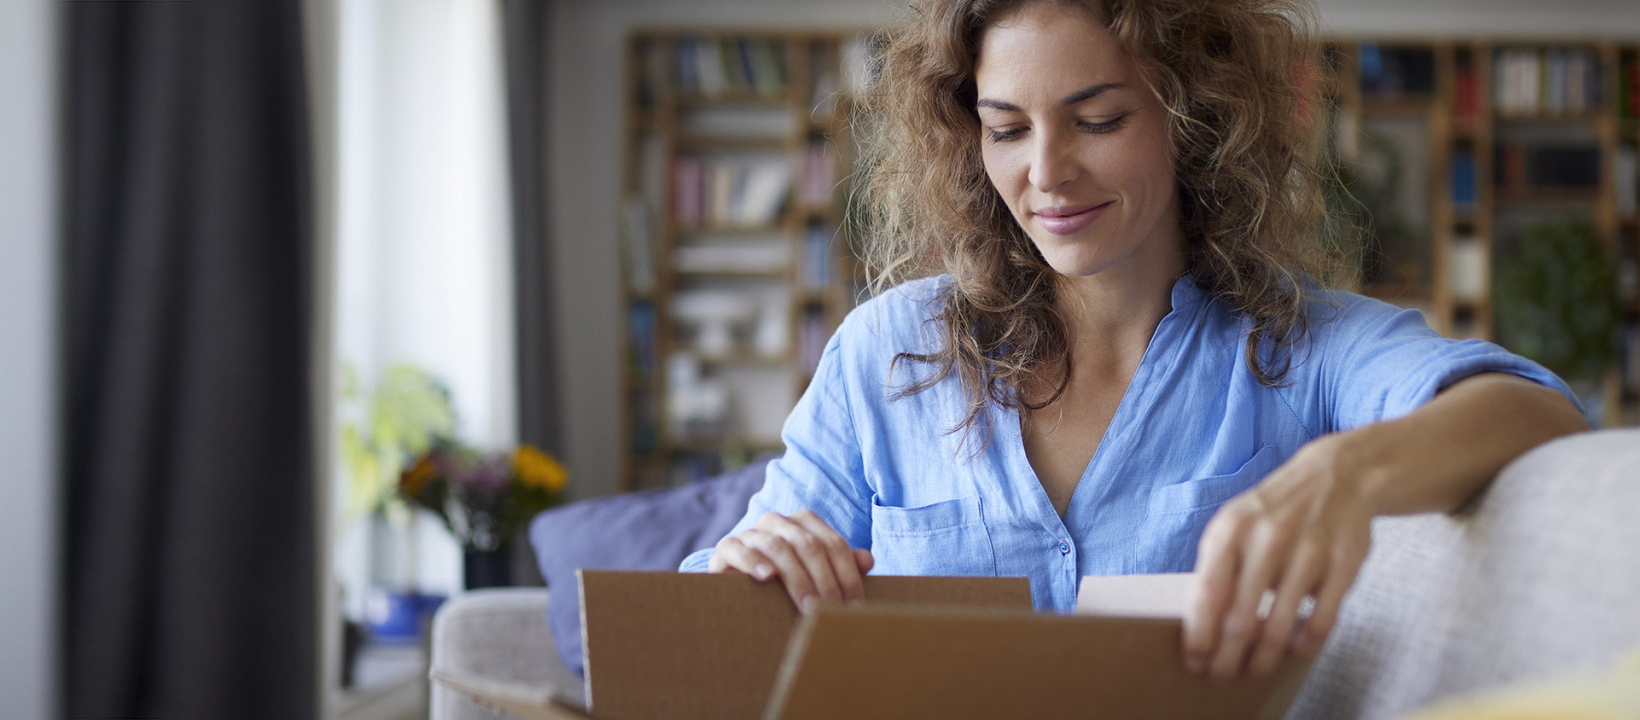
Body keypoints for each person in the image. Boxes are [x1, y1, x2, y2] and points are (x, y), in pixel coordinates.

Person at [678, 0, 1591, 683]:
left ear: (1194, 119)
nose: (1046, 174)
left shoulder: (1300, 346)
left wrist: (1344, 477)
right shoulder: (886, 352)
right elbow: (718, 612)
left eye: (1099, 120)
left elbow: (1536, 413)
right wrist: (743, 568)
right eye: (1006, 129)